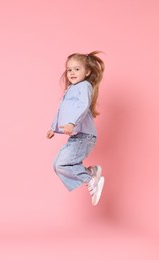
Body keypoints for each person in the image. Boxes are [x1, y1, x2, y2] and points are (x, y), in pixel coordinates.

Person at [46, 51, 105, 206]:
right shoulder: (72, 88)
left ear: (87, 72)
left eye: (77, 69)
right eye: (69, 70)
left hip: (85, 137)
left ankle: (90, 179)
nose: (72, 73)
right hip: (77, 137)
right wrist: (54, 128)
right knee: (56, 164)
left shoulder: (84, 86)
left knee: (61, 164)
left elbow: (82, 106)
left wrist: (72, 122)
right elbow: (63, 110)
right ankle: (90, 173)